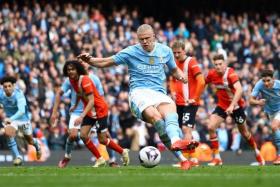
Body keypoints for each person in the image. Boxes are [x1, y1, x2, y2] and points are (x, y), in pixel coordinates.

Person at [78, 24, 199, 170]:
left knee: (171, 109)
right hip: (139, 93)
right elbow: (107, 61)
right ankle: (179, 154)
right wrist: (90, 61)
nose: (145, 42)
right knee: (157, 118)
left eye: (147, 38)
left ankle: (177, 144)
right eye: (141, 39)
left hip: (158, 93)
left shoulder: (165, 51)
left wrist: (181, 76)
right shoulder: (131, 52)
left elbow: (173, 69)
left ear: (154, 36)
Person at [57, 60, 129, 167]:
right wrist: (76, 106)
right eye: (68, 70)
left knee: (103, 139)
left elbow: (92, 101)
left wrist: (81, 116)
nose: (70, 72)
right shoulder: (73, 80)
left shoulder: (86, 80)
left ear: (78, 69)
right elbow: (79, 93)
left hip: (99, 110)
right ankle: (100, 159)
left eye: (72, 69)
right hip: (90, 111)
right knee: (83, 135)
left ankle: (122, 152)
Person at [205, 54, 265, 166]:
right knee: (211, 127)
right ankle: (217, 158)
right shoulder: (211, 74)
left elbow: (239, 90)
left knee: (245, 133)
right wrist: (198, 97)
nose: (218, 66)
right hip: (222, 106)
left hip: (236, 106)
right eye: (216, 64)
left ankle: (257, 152)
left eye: (220, 64)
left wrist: (232, 105)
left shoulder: (230, 73)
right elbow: (203, 82)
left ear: (224, 64)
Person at [170, 41, 205, 166]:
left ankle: (188, 159)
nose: (177, 55)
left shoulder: (191, 62)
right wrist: (173, 91)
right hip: (179, 102)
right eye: (174, 53)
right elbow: (172, 80)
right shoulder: (173, 63)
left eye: (179, 52)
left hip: (190, 102)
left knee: (186, 128)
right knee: (180, 130)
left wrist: (195, 98)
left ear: (184, 51)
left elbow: (201, 81)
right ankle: (191, 158)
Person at [0, 76, 41, 166]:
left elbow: (22, 111)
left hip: (23, 120)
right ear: (2, 87)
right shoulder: (1, 94)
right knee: (8, 133)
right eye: (5, 86)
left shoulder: (19, 94)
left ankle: (37, 145)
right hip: (11, 120)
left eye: (9, 86)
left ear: (14, 86)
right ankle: (18, 157)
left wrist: (11, 118)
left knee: (29, 141)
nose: (7, 88)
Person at [249, 69, 280, 165]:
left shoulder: (279, 84)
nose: (266, 83)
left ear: (273, 79)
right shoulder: (259, 84)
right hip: (271, 112)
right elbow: (250, 101)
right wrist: (258, 102)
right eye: (264, 81)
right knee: (276, 130)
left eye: (268, 80)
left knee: (274, 126)